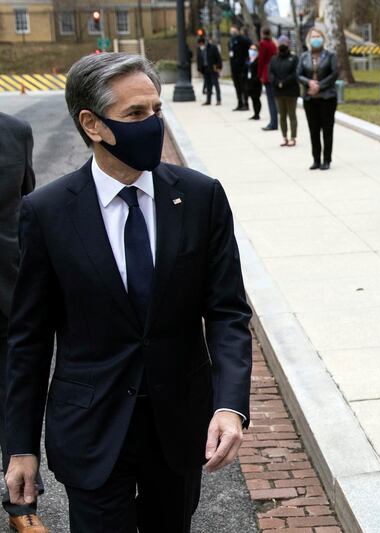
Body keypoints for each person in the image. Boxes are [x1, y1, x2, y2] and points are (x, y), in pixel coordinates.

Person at [3, 53, 252, 530]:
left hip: (176, 427)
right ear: (92, 124)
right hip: (91, 429)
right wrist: (20, 448)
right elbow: (28, 340)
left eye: (156, 110)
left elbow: (226, 312)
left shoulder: (201, 197)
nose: (153, 124)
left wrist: (229, 404)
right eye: (136, 114)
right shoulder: (48, 212)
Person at [0, 113, 48, 533]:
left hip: (7, 290)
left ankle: (22, 505)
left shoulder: (15, 131)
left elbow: (26, 206)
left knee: (15, 397)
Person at [297, 28, 338, 170]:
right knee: (313, 130)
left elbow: (334, 74)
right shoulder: (304, 57)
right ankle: (316, 159)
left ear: (323, 38)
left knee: (327, 129)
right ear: (309, 39)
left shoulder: (330, 56)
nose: (316, 39)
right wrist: (309, 83)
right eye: (313, 37)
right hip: (310, 98)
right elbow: (299, 74)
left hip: (327, 98)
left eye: (318, 36)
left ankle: (327, 159)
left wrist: (320, 85)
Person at [270, 35, 300, 147]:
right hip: (278, 91)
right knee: (282, 115)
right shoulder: (274, 59)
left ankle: (293, 137)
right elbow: (271, 73)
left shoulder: (294, 58)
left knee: (292, 114)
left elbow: (295, 73)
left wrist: (284, 82)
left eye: (285, 42)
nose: (283, 44)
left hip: (291, 91)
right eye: (280, 42)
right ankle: (284, 137)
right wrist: (277, 82)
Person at [257, 28, 279, 131]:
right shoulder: (273, 44)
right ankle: (274, 121)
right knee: (273, 99)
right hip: (274, 72)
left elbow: (261, 59)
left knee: (270, 100)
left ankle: (273, 123)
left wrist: (259, 74)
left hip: (266, 72)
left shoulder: (263, 44)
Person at [229, 25, 252, 112]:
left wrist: (247, 63)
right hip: (234, 68)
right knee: (237, 86)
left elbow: (250, 50)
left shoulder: (243, 40)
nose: (233, 33)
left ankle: (245, 103)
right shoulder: (231, 41)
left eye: (234, 31)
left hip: (242, 67)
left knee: (243, 86)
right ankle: (240, 103)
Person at [197, 35, 222, 106]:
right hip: (205, 69)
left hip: (213, 69)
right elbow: (199, 59)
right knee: (208, 86)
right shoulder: (199, 49)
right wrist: (199, 69)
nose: (200, 45)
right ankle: (208, 100)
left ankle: (218, 100)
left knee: (216, 84)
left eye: (201, 44)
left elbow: (218, 58)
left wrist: (218, 67)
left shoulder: (212, 48)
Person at [244, 44, 262, 120]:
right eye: (250, 49)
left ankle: (257, 113)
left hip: (256, 82)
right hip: (249, 81)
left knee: (256, 98)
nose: (251, 51)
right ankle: (255, 113)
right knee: (252, 98)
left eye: (254, 49)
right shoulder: (248, 59)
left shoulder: (258, 60)